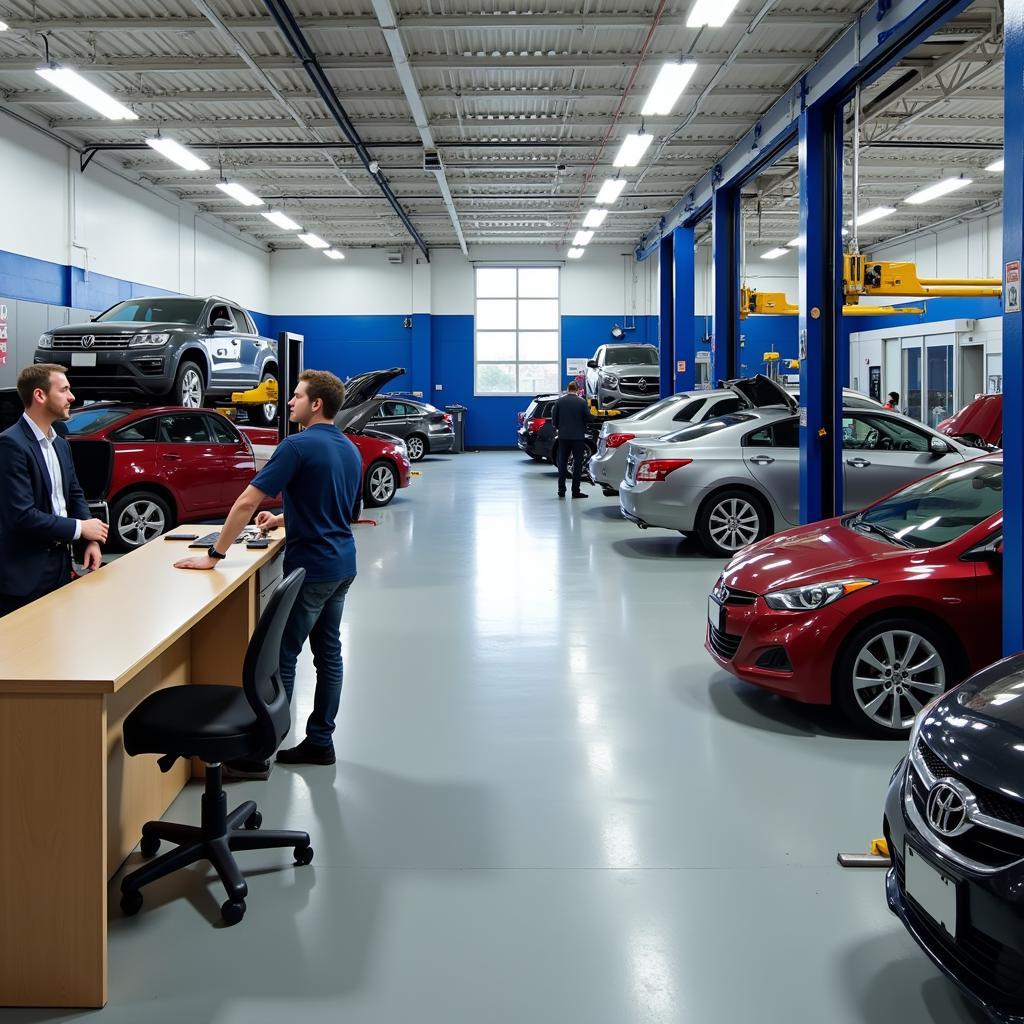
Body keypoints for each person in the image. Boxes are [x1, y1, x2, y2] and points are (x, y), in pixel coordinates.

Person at [174, 370, 362, 777]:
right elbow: (341, 511)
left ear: (316, 404)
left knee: (280, 658)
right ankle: (320, 742)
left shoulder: (295, 445)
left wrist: (215, 553)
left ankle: (261, 753)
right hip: (343, 564)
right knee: (329, 655)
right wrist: (281, 518)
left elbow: (244, 502)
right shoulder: (348, 448)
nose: (289, 401)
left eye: (296, 396)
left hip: (311, 568)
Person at [0, 364, 108, 616]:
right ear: (40, 395)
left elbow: (73, 493)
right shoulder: (10, 444)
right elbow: (21, 515)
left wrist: (89, 539)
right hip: (23, 575)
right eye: (64, 390)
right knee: (21, 650)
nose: (72, 397)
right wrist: (81, 528)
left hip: (60, 564)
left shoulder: (59, 444)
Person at [552, 380, 594, 499]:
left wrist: (560, 428)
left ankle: (561, 490)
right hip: (578, 438)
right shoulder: (581, 402)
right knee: (577, 464)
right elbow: (588, 418)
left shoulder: (559, 401)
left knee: (562, 463)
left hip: (563, 437)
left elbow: (554, 420)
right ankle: (575, 491)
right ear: (577, 390)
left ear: (568, 389)